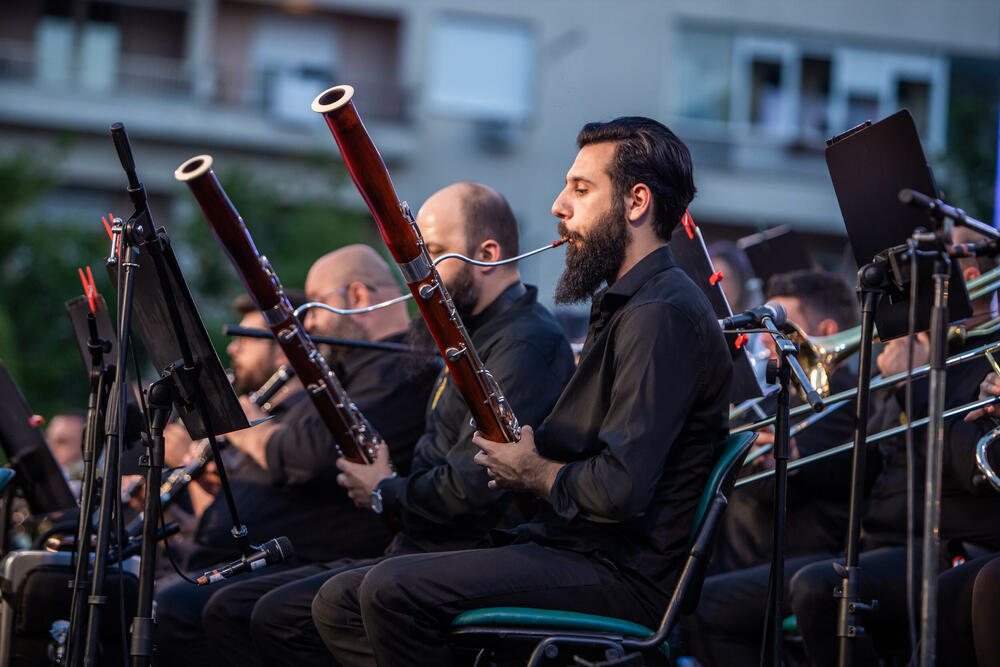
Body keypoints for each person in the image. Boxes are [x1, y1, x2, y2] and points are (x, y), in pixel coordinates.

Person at [312, 117, 732, 665]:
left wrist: (533, 470)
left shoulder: (660, 313)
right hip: (579, 552)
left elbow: (620, 489)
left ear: (636, 202)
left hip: (620, 573)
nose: (559, 206)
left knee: (390, 591)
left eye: (581, 189)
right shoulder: (631, 305)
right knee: (339, 601)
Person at [200, 182, 576, 667]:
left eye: (432, 253)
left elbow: (470, 488)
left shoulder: (522, 344)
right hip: (421, 546)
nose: (418, 273)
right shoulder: (468, 337)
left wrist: (384, 490)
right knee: (246, 608)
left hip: (466, 553)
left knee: (285, 615)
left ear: (487, 254)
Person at [688, 225, 1000, 666]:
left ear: (968, 278)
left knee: (816, 589)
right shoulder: (914, 360)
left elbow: (969, 469)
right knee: (710, 598)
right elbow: (866, 463)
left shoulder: (978, 359)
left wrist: (913, 385)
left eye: (942, 254)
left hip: (942, 546)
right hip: (877, 543)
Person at [153, 245, 439, 667]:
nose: (309, 323)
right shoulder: (347, 372)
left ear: (358, 296)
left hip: (329, 555)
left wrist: (243, 427)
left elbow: (315, 454)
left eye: (316, 305)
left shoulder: (400, 369)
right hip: (276, 554)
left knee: (196, 609)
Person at [712, 270, 867, 572]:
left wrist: (743, 454)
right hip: (738, 556)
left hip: (778, 562)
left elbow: (775, 489)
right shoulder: (779, 394)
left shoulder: (845, 395)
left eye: (780, 327)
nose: (765, 339)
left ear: (826, 331)